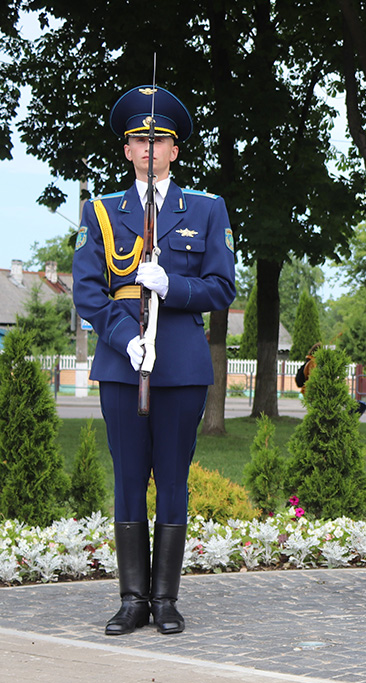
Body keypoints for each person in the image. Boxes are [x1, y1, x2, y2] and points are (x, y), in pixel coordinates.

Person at [73, 85, 236, 635]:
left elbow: (221, 288)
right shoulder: (103, 212)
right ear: (126, 150)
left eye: (158, 139)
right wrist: (125, 339)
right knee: (126, 478)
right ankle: (131, 599)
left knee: (172, 477)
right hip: (123, 366)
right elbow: (89, 293)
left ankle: (165, 600)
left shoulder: (208, 211)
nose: (148, 148)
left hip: (181, 366)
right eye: (138, 139)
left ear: (174, 150)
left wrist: (174, 285)